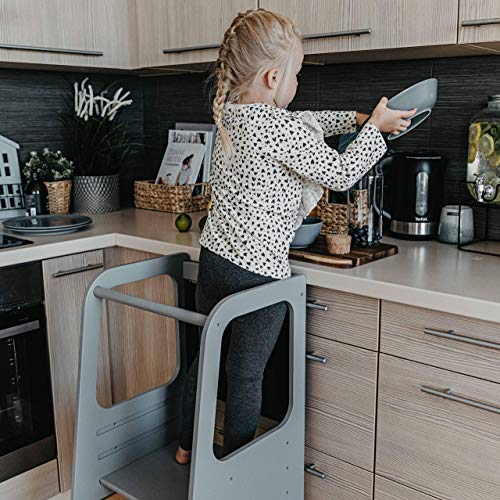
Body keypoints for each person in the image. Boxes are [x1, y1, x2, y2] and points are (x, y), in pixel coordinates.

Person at [176, 8, 416, 465]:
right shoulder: (277, 126)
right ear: (271, 76)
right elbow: (341, 173)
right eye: (297, 74)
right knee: (245, 377)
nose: (298, 84)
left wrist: (355, 119)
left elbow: (306, 120)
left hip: (215, 261)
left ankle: (186, 449)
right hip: (258, 274)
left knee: (206, 363)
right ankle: (234, 474)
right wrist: (376, 132)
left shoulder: (231, 115)